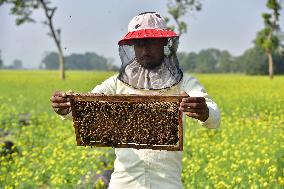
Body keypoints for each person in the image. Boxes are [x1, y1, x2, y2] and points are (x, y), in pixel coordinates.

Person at [50, 12, 220, 189]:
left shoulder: (185, 83)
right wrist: (65, 106)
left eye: (151, 43)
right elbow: (86, 106)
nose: (145, 50)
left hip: (167, 183)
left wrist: (204, 111)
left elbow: (214, 117)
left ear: (163, 43)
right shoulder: (116, 83)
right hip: (123, 183)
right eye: (139, 44)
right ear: (131, 46)